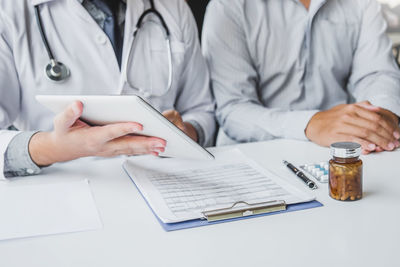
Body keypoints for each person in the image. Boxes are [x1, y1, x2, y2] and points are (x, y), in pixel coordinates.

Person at [0, 0, 215, 178]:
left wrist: (185, 133)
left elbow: (201, 110)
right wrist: (52, 147)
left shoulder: (173, 8)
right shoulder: (9, 13)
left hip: (166, 183)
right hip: (61, 192)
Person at [202, 0, 400, 154]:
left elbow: (376, 74)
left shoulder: (361, 3)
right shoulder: (228, 7)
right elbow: (233, 109)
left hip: (344, 147)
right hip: (256, 153)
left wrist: (379, 117)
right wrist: (310, 123)